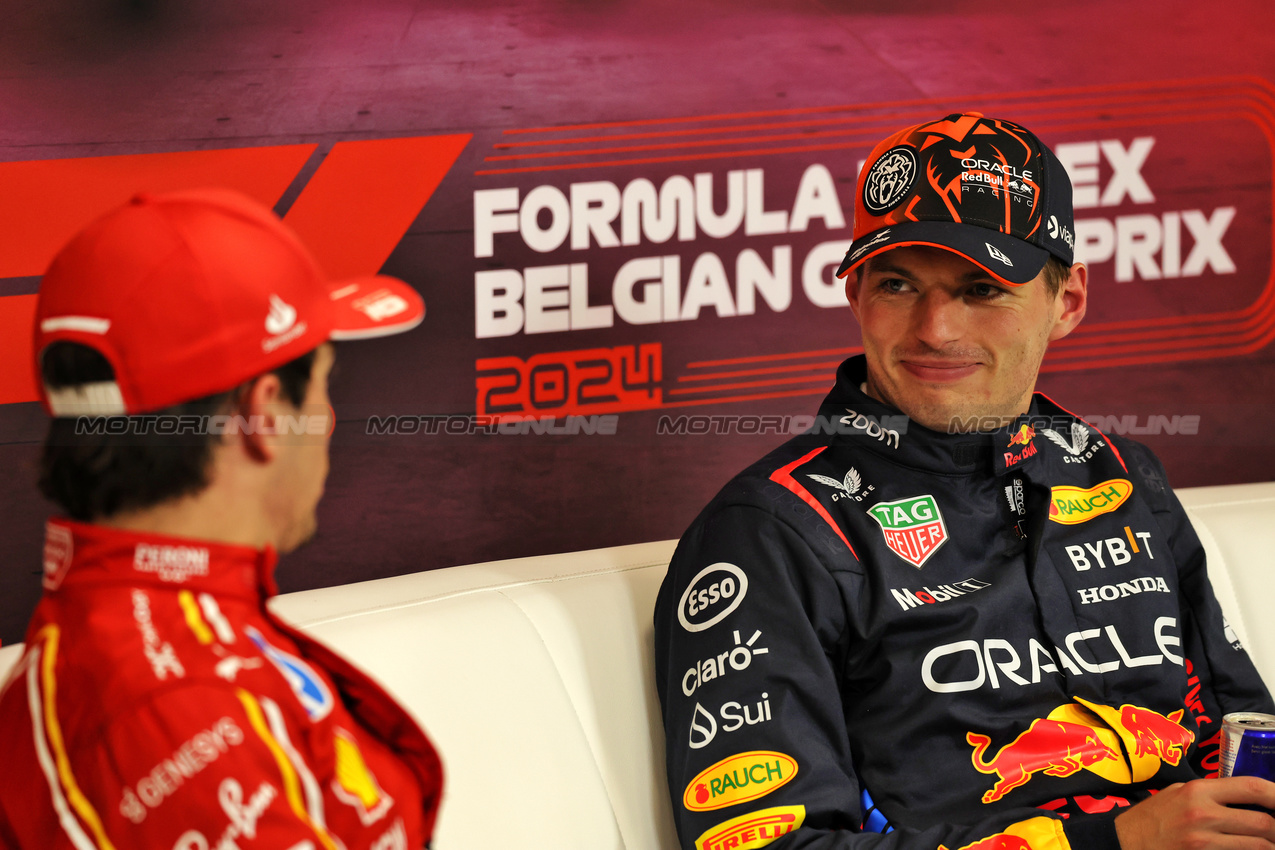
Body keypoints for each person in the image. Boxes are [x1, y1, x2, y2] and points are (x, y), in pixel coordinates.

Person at [653, 113, 1275, 850]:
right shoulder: (773, 531)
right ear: (856, 295)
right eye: (896, 284)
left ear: (1066, 301)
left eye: (981, 289)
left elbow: (1246, 740)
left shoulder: (1118, 472)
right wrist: (1113, 844)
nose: (935, 330)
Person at [0, 189, 443, 849]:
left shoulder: (143, 636)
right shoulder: (177, 710)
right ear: (264, 415)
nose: (330, 421)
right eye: (326, 382)